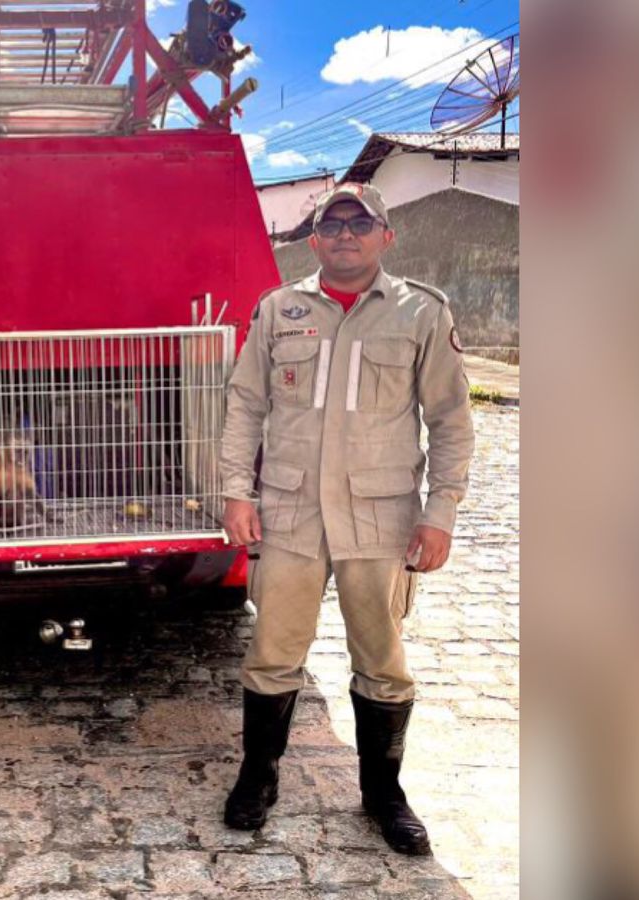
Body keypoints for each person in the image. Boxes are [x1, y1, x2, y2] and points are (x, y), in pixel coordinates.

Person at [218, 182, 475, 856]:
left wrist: (440, 511)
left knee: (382, 659)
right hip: (291, 512)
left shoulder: (420, 312)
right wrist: (235, 493)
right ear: (314, 241)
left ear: (385, 236)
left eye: (361, 224)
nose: (345, 235)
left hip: (380, 519)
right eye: (331, 225)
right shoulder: (280, 310)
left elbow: (450, 420)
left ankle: (383, 793)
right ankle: (258, 776)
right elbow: (245, 404)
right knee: (273, 652)